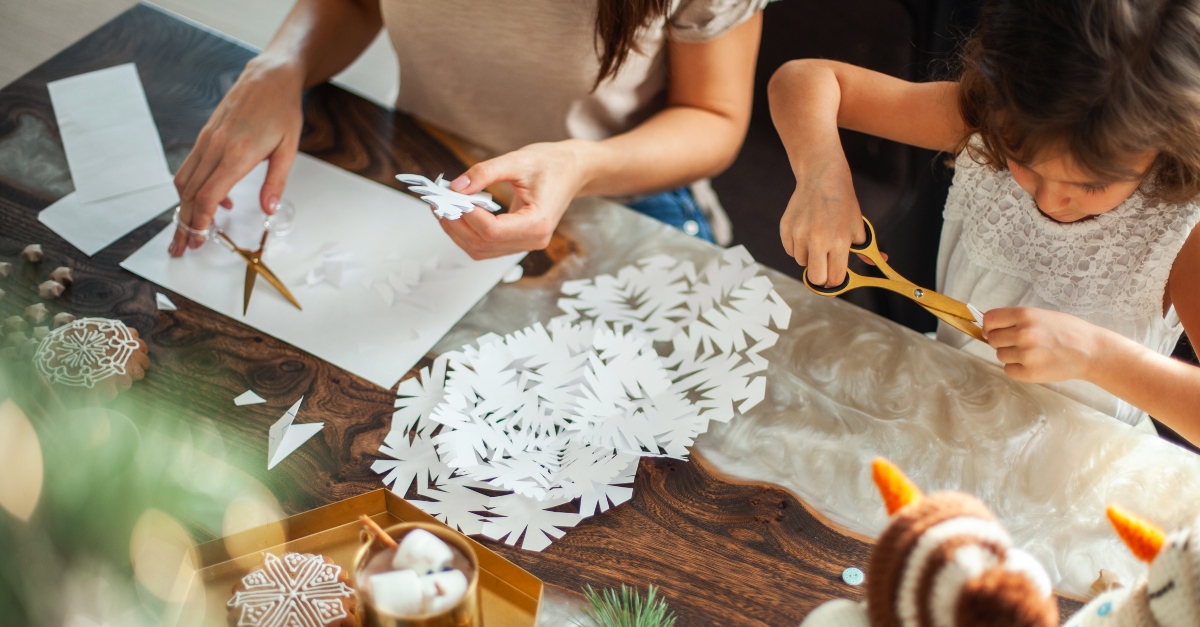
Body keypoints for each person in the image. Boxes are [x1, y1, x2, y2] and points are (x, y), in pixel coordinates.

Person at [768, 0, 1200, 440]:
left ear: (1166, 142)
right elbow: (804, 79)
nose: (1050, 198)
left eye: (1091, 186)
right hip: (937, 419)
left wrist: (1095, 356)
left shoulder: (1184, 233)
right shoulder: (984, 121)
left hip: (1079, 472)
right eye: (1023, 162)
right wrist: (824, 180)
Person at [170, 0, 768, 260]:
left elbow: (714, 116)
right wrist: (282, 65)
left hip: (623, 189)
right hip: (430, 160)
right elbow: (356, 3)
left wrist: (580, 164)